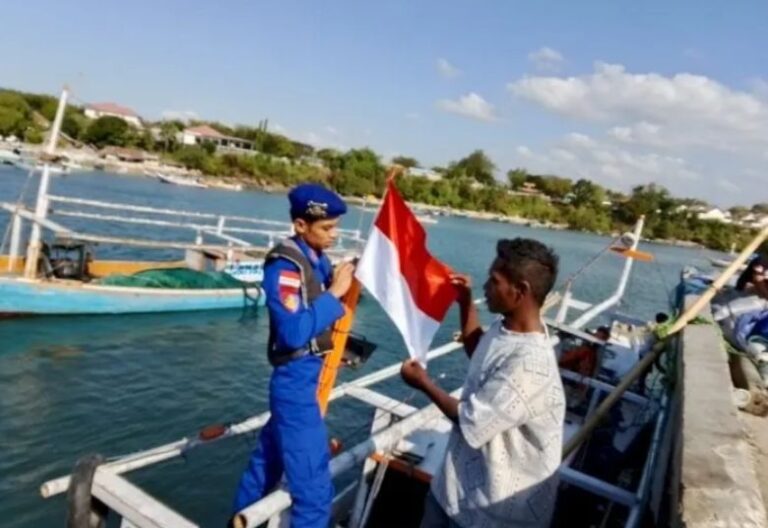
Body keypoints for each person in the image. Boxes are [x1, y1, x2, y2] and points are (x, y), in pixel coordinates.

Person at [400, 238, 566, 528]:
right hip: (452, 494)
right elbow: (480, 349)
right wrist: (465, 302)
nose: (486, 288)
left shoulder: (530, 365)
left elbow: (471, 420)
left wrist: (423, 383)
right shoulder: (506, 328)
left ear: (521, 291)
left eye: (494, 281)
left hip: (492, 515)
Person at [231, 183, 356, 528]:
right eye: (327, 228)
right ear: (301, 225)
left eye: (336, 227)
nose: (334, 235)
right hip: (295, 384)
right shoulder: (284, 268)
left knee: (265, 465)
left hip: (310, 372)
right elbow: (292, 333)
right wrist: (336, 293)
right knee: (314, 493)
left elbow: (320, 316)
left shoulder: (318, 260)